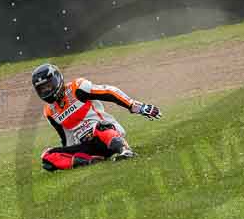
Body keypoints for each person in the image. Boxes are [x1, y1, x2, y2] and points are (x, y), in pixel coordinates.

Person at [32, 63, 161, 172]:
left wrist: (135, 106)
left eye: (48, 86)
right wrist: (65, 153)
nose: (46, 91)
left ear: (58, 80)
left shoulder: (78, 88)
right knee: (47, 156)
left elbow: (109, 91)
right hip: (86, 147)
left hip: (104, 134)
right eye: (42, 89)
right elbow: (65, 138)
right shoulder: (49, 112)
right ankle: (89, 162)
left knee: (101, 127)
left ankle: (125, 150)